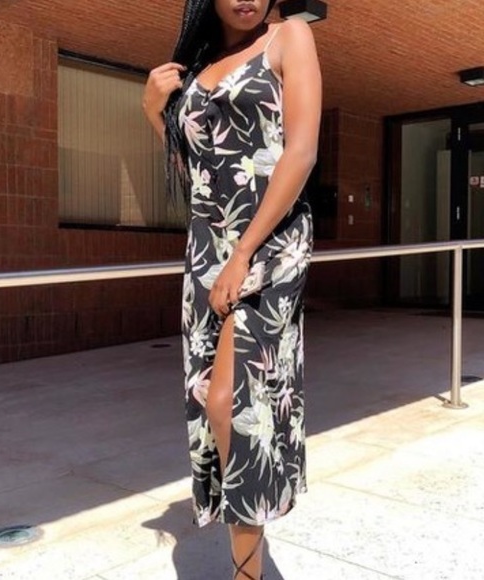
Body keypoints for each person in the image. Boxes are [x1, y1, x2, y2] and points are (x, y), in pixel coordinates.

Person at [143, 1, 321, 578]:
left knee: (231, 402)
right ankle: (249, 563)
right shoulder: (197, 66)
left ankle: (247, 572)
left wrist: (243, 254)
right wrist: (154, 113)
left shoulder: (289, 37)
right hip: (207, 247)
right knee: (212, 403)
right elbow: (198, 169)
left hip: (268, 242)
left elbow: (301, 152)